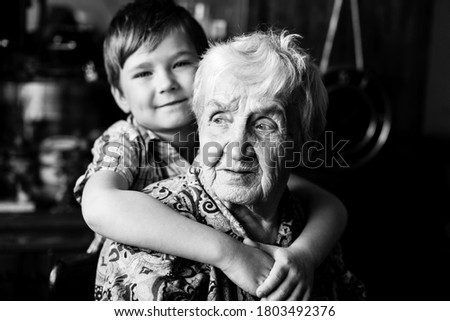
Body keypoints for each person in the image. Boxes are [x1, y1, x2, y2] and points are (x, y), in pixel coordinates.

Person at [75, 0, 350, 300]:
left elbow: (324, 204)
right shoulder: (126, 140)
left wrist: (305, 254)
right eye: (143, 73)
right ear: (119, 95)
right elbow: (99, 207)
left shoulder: (214, 138)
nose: (166, 83)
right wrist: (229, 253)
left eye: (180, 64)